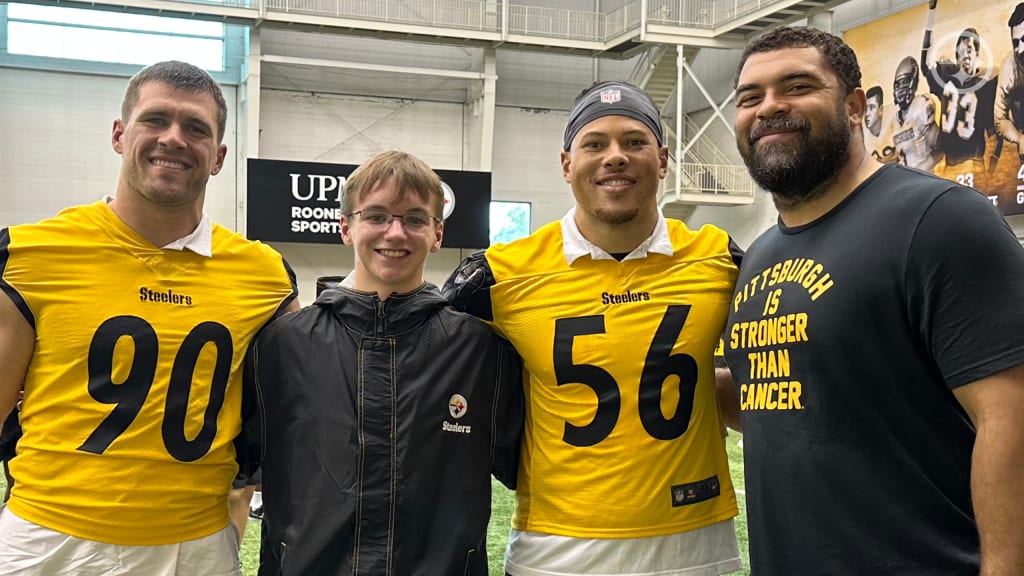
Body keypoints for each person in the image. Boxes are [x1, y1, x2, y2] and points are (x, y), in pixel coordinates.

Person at [730, 25, 1024, 574]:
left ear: (856, 106)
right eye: (751, 97)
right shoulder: (760, 256)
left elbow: (1012, 419)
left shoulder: (940, 219)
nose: (770, 107)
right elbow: (787, 403)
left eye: (796, 86)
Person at [0, 60, 299, 575]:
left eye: (196, 128)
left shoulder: (264, 274)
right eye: (155, 120)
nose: (174, 139)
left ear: (219, 156)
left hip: (197, 547)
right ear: (120, 135)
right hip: (48, 542)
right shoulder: (32, 254)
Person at [444, 81, 743, 576]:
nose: (615, 156)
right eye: (595, 143)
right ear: (567, 164)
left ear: (663, 158)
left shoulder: (719, 257)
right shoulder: (499, 274)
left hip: (695, 543)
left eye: (634, 141)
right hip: (556, 548)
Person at [253, 150, 523, 576]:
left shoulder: (481, 350)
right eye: (377, 216)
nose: (395, 233)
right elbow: (238, 471)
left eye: (415, 219)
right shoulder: (282, 345)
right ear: (346, 227)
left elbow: (520, 467)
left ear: (437, 234)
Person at [921, 0, 998, 188]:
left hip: (974, 162)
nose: (966, 55)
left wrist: (991, 172)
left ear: (977, 54)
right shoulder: (946, 75)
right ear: (956, 55)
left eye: (970, 50)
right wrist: (931, 13)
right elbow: (925, 62)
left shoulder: (985, 84)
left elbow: (994, 134)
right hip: (949, 165)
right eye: (962, 50)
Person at [889, 55, 943, 171]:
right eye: (898, 85)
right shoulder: (895, 120)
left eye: (904, 83)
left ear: (912, 83)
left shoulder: (920, 106)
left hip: (925, 177)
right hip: (908, 179)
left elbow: (939, 150)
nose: (900, 89)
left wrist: (920, 171)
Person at [995, 3, 1024, 161]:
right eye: (1015, 43)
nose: (1020, 49)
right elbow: (1000, 119)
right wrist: (1019, 138)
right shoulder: (1009, 68)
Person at [863, 85, 897, 163]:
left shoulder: (893, 119)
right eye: (866, 109)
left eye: (872, 107)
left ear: (880, 110)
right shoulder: (861, 135)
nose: (867, 113)